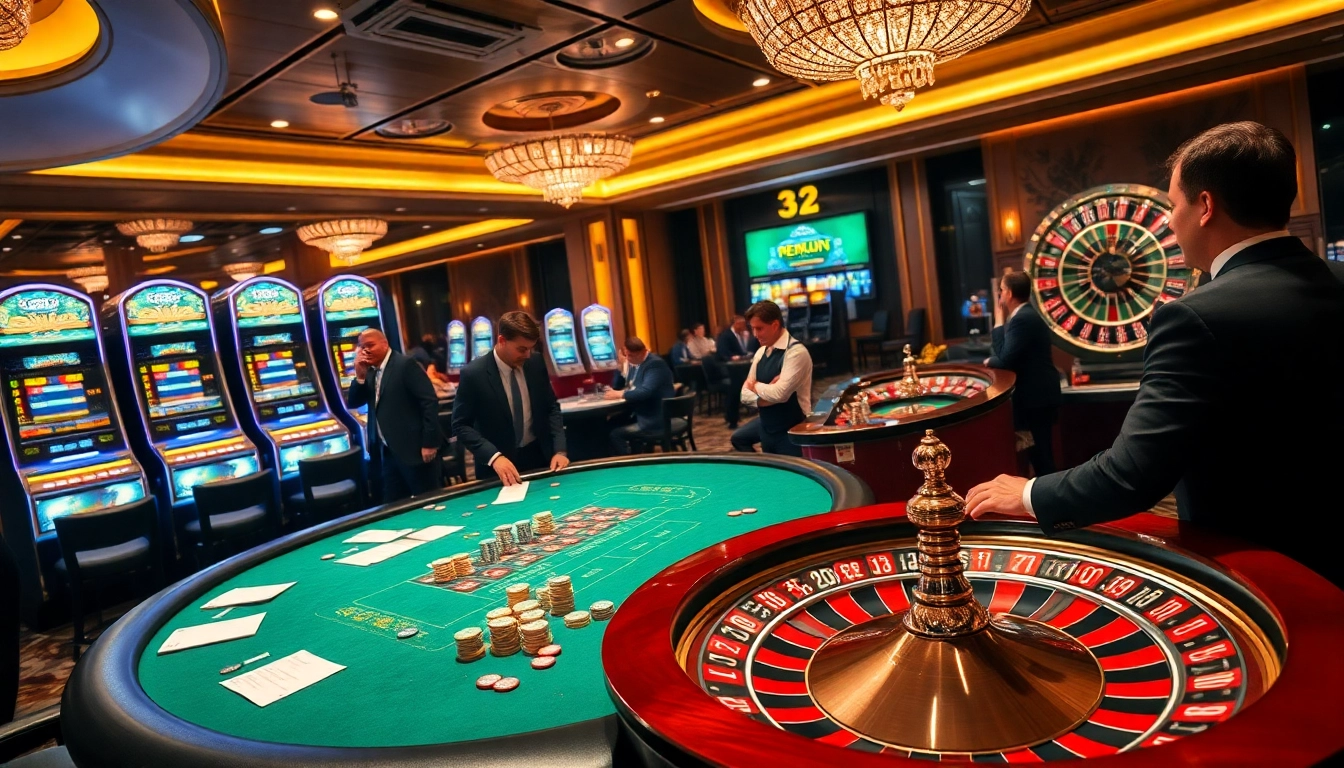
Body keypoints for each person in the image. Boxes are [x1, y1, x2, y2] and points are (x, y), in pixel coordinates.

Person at [966, 121, 1344, 586]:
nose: (1168, 220)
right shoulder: (1334, 282)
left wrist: (1027, 493)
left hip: (1263, 570)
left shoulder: (1194, 317)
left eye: (1172, 204)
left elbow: (1132, 476)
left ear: (1205, 206)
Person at [452, 311, 569, 485]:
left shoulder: (535, 363)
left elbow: (551, 407)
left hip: (539, 457)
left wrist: (560, 450)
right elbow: (460, 425)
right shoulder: (474, 374)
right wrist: (494, 457)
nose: (528, 355)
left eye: (531, 348)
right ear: (502, 341)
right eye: (522, 349)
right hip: (497, 466)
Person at [347, 328, 442, 502]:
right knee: (394, 507)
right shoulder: (369, 370)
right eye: (361, 347)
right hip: (387, 451)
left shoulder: (405, 365)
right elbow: (353, 402)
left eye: (370, 345)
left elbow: (429, 403)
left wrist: (429, 442)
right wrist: (359, 376)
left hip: (414, 450)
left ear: (385, 343)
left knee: (429, 503)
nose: (365, 350)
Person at [985, 270, 1061, 475]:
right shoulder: (1023, 316)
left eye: (1001, 291)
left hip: (1037, 396)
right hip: (1036, 395)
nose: (1000, 296)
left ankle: (1050, 503)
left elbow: (1004, 358)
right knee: (1037, 455)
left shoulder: (1023, 319)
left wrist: (999, 321)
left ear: (1008, 293)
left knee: (1042, 457)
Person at [731, 300, 813, 457]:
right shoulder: (761, 352)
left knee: (792, 480)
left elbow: (780, 394)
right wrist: (766, 395)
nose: (755, 334)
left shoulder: (796, 353)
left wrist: (754, 386)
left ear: (775, 325)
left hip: (793, 431)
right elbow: (744, 395)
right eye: (753, 328)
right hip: (767, 429)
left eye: (759, 328)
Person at [606, 337, 675, 455]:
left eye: (630, 355)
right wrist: (619, 368)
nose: (628, 358)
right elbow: (619, 387)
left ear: (642, 352)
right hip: (641, 412)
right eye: (626, 355)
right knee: (609, 424)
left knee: (615, 434)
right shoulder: (636, 364)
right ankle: (636, 454)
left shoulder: (654, 364)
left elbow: (645, 392)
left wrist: (621, 394)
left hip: (654, 418)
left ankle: (629, 464)